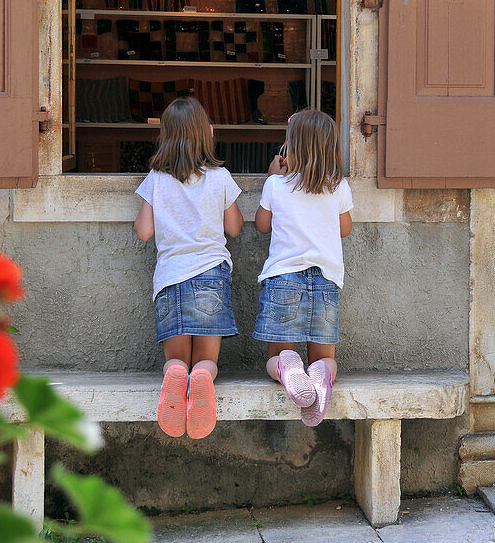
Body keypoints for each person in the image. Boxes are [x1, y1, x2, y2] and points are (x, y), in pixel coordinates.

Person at [134, 97, 244, 440]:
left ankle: (178, 374)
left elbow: (144, 231)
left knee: (177, 360)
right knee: (207, 360)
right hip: (211, 274)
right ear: (206, 134)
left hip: (170, 277)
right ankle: (203, 378)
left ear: (165, 137)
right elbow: (235, 228)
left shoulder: (156, 178)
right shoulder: (221, 176)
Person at [254, 109, 354, 427]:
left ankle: (287, 367)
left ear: (291, 147)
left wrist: (273, 176)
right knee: (325, 357)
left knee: (276, 356)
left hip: (283, 279)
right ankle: (321, 373)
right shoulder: (338, 186)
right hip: (325, 280)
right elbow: (345, 228)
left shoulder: (276, 185)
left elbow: (262, 224)